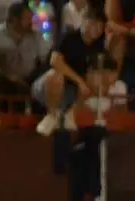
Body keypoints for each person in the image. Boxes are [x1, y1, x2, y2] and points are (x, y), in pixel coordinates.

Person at [30, 7, 108, 136]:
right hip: (47, 86)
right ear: (84, 21)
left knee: (96, 81)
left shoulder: (98, 46)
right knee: (56, 76)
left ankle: (71, 114)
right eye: (94, 24)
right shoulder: (69, 37)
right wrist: (79, 81)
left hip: (71, 91)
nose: (97, 29)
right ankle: (51, 116)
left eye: (100, 27)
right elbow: (55, 62)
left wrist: (88, 83)